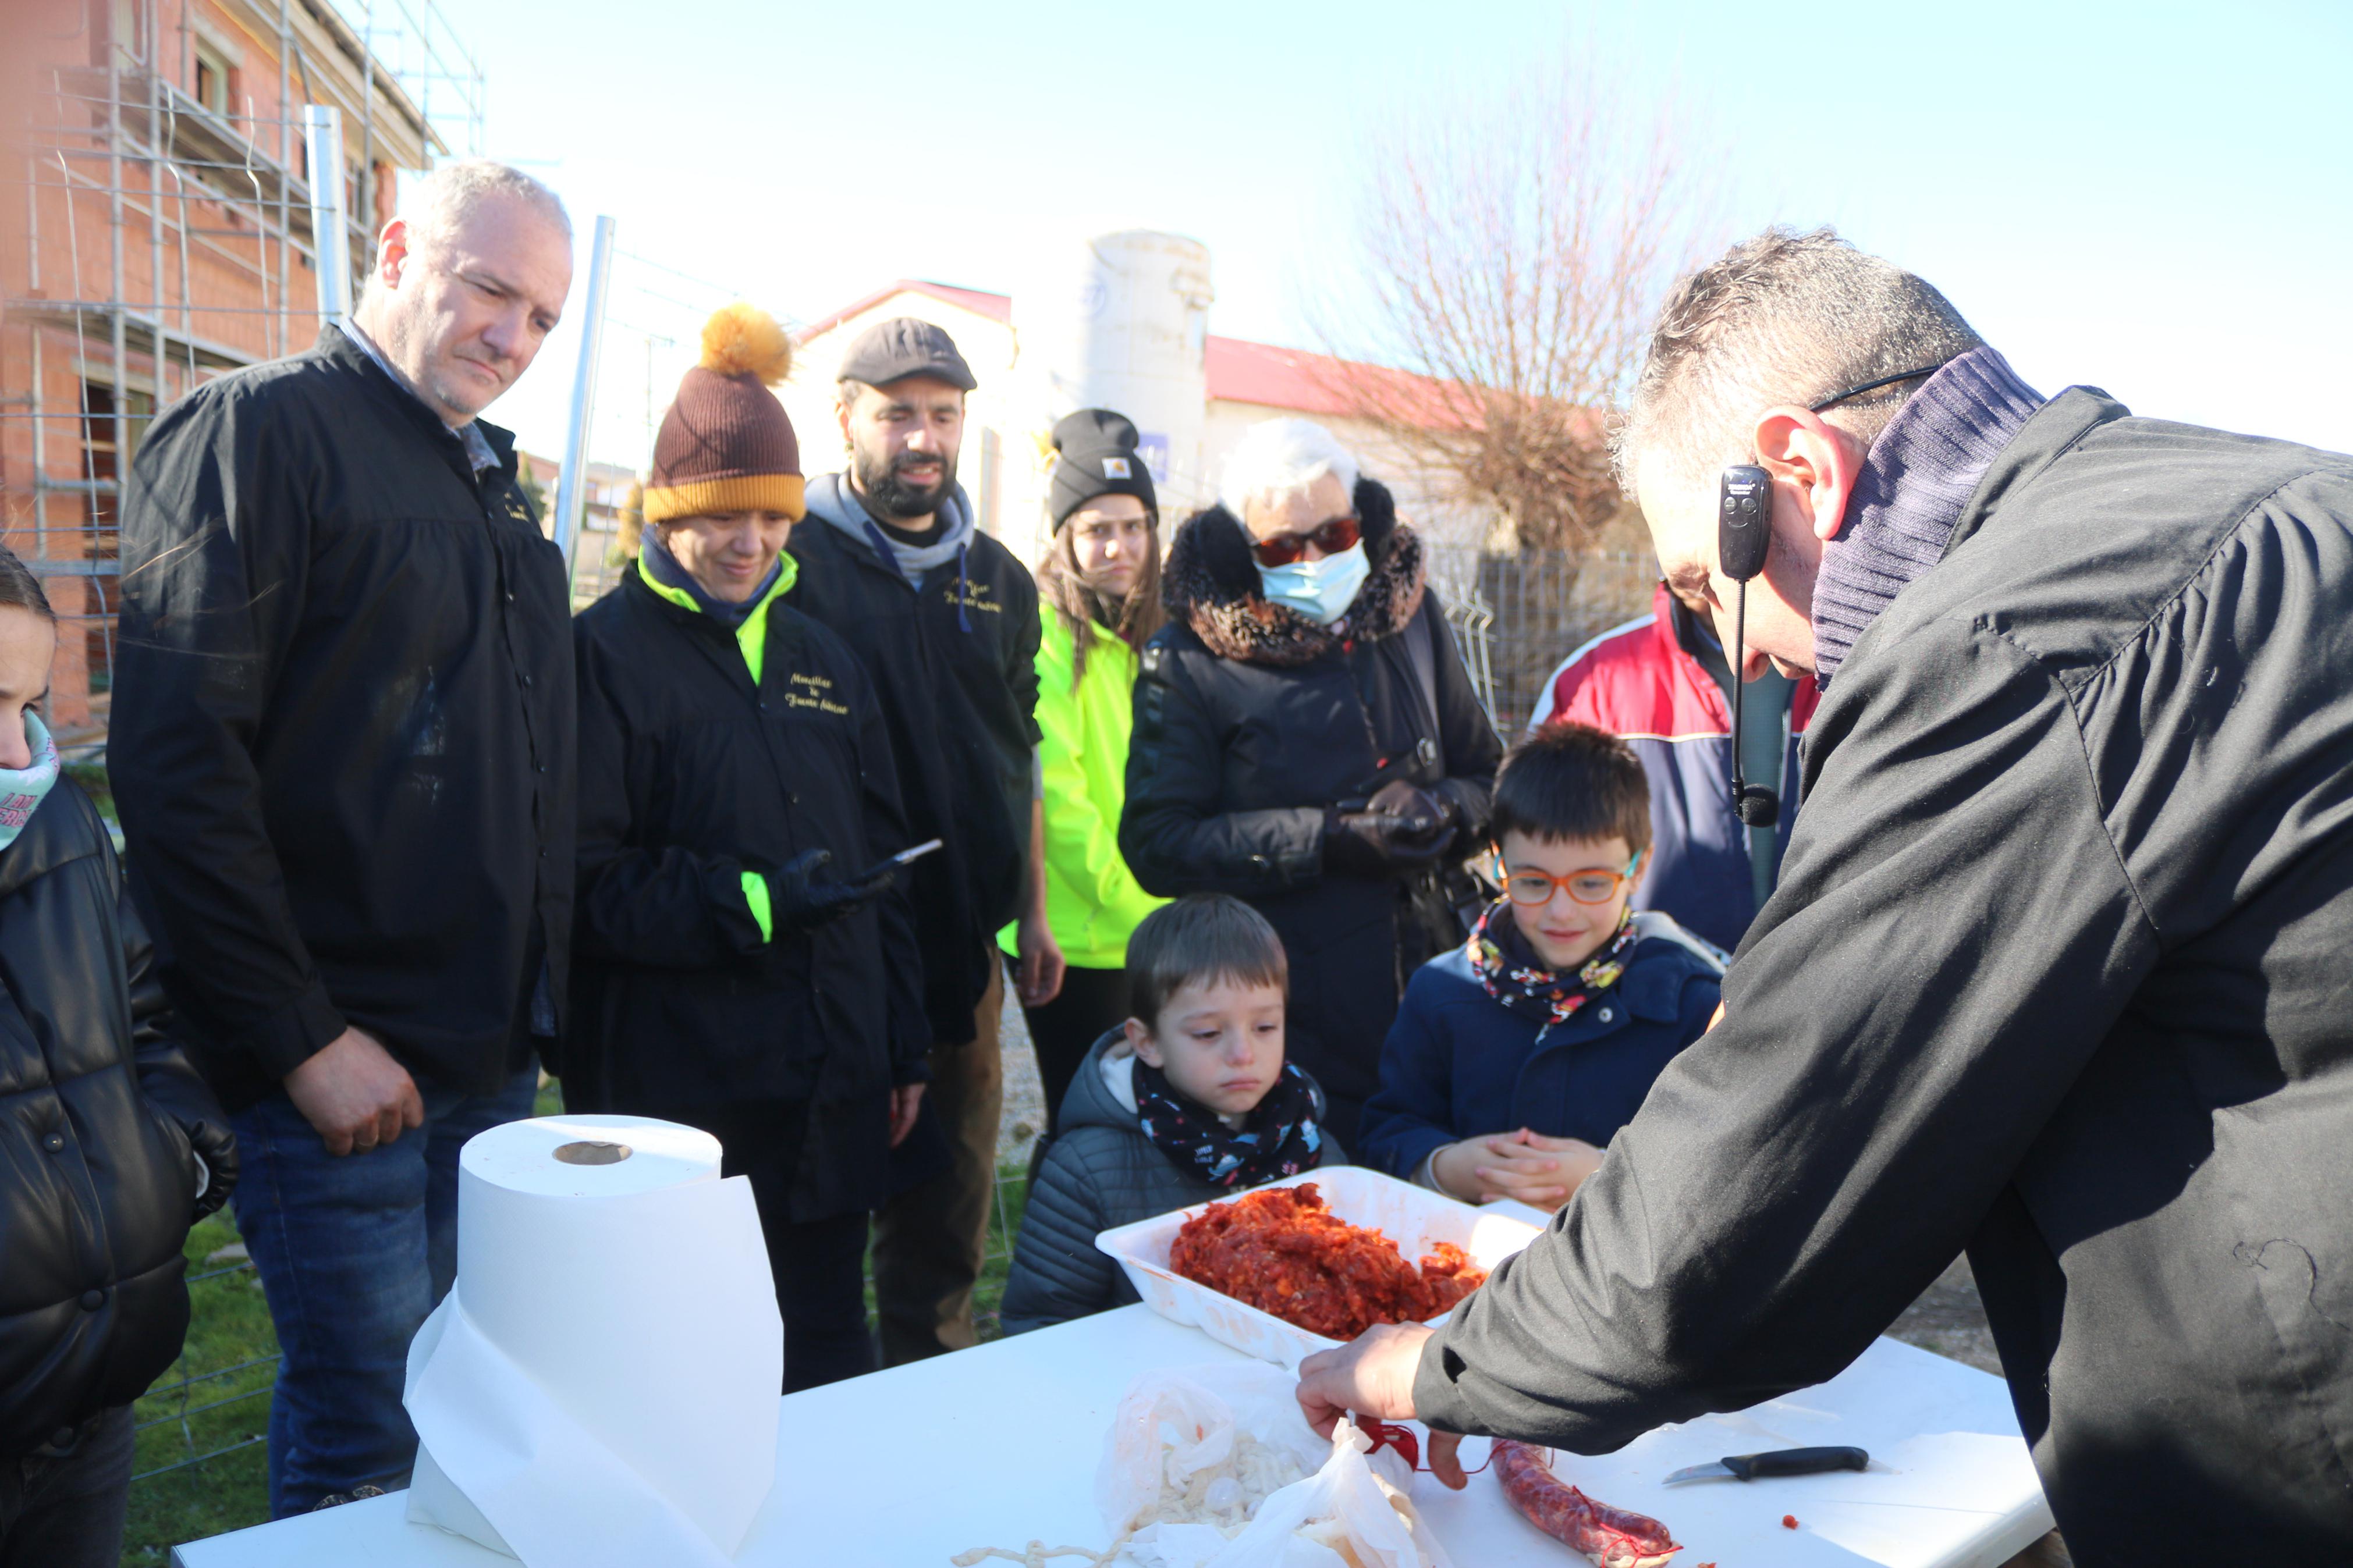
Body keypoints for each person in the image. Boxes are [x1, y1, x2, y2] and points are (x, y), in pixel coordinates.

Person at [1293, 227, 2353, 1563]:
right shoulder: (2273, 500)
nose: (1754, 663)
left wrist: (1429, 1366)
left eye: (1703, 590)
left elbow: (1734, 1221)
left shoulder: (2000, 634)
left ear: (1795, 472)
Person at [109, 161, 576, 1516]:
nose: (513, 336)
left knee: (457, 1423)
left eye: (543, 316)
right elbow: (177, 768)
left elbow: (522, 775)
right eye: (491, 289)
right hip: (342, 1078)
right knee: (363, 1431)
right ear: (394, 249)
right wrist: (300, 1038)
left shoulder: (492, 490)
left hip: (484, 1068)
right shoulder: (256, 435)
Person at [566, 304, 929, 1391]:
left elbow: (885, 855)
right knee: (691, 1361)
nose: (748, 543)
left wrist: (902, 1040)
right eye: (721, 518)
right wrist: (754, 901)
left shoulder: (823, 654)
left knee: (826, 1344)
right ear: (666, 515)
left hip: (831, 1081)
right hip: (686, 1093)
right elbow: (583, 889)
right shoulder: (603, 658)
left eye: (770, 518)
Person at [787, 317, 1059, 1364]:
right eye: (896, 412)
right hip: (830, 946)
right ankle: (808, 1397)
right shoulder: (792, 559)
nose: (921, 436)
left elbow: (1022, 750)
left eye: (941, 415)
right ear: (846, 416)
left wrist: (1029, 909)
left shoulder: (999, 579)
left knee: (946, 1205)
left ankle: (928, 1394)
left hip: (959, 946)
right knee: (820, 1209)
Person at [1120, 418, 1503, 1149]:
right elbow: (1157, 842)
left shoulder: (1410, 613)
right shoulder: (1187, 656)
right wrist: (1327, 837)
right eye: (1282, 546)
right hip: (1294, 1013)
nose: (1314, 557)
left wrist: (1441, 808)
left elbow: (1486, 770)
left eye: (1333, 534)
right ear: (1244, 551)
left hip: (1437, 980)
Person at [0, 550, 237, 1567]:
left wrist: (174, 1157)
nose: (18, 747)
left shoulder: (57, 822)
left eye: (29, 702)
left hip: (91, 1404)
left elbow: (145, 1024)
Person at [1357, 723, 1723, 1207]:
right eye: (1533, 882)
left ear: (1637, 867)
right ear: (1498, 864)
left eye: (1591, 883)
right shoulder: (1439, 991)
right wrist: (1443, 1166)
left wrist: (1604, 1173)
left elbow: (1723, 1153)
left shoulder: (1692, 1002)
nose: (1561, 911)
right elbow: (1387, 1130)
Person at [999, 894, 1340, 1334]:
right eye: (1207, 1032)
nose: (1242, 1053)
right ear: (1147, 1042)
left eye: (1265, 1027)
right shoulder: (1086, 1169)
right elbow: (1039, 1321)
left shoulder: (1313, 1145)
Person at [998, 409, 1169, 1144]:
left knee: (1142, 1120)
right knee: (1090, 1123)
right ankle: (1054, 1259)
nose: (1117, 546)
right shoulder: (1043, 631)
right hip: (1075, 936)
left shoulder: (1153, 635)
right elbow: (1059, 798)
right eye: (1096, 529)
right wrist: (1143, 907)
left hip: (1144, 923)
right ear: (1063, 537)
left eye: (1132, 527)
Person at [1527, 583, 1818, 952]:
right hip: (1652, 992)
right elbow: (1534, 859)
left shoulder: (1864, 661)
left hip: (1833, 991)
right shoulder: (1593, 678)